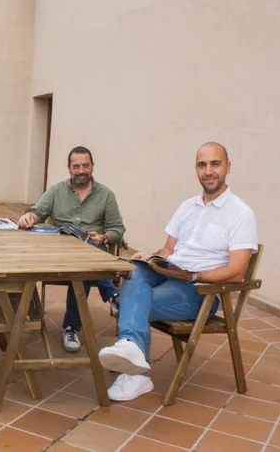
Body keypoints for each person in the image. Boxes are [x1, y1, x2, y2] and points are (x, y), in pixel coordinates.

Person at [98, 142, 257, 402]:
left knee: (134, 299)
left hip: (198, 291)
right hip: (169, 274)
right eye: (202, 164)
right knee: (136, 268)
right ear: (196, 169)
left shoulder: (240, 214)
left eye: (215, 164)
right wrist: (154, 257)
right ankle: (132, 350)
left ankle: (137, 371)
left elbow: (237, 272)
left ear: (228, 167)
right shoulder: (187, 207)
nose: (209, 171)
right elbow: (169, 249)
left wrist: (193, 276)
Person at [17, 146, 126, 353]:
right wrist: (30, 216)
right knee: (85, 260)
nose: (81, 170)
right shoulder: (56, 190)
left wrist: (103, 236)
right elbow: (37, 211)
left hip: (92, 251)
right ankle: (113, 296)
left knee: (84, 267)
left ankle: (70, 328)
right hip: (59, 251)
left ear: (92, 166)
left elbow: (118, 229)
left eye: (85, 165)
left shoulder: (106, 195)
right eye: (76, 166)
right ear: (69, 168)